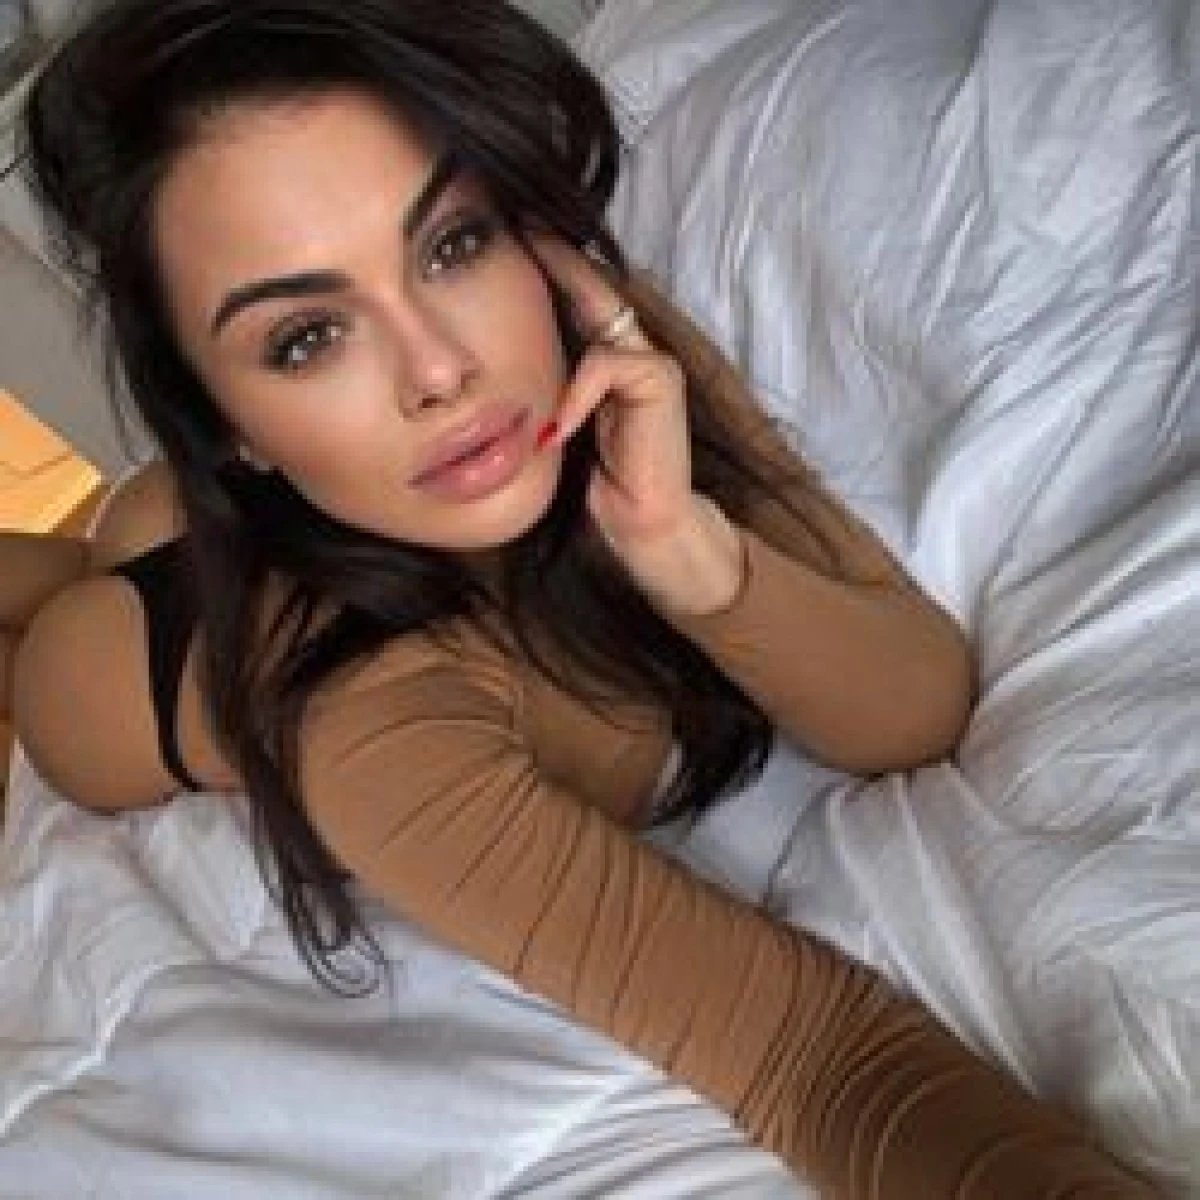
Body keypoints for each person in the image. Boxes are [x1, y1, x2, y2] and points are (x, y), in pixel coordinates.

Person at [0, 1, 1160, 1194]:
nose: (442, 367)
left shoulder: (603, 346)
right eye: (307, 337)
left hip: (270, 515)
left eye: (452, 244)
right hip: (131, 664)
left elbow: (914, 710)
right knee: (67, 599)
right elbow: (818, 1065)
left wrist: (691, 554)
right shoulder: (377, 729)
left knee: (119, 530)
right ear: (223, 425)